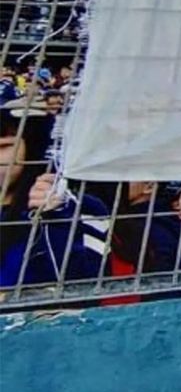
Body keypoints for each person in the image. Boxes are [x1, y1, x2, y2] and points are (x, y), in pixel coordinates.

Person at [0, 108, 106, 287]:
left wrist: (56, 219)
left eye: (4, 147)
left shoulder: (79, 207)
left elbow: (87, 283)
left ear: (32, 148)